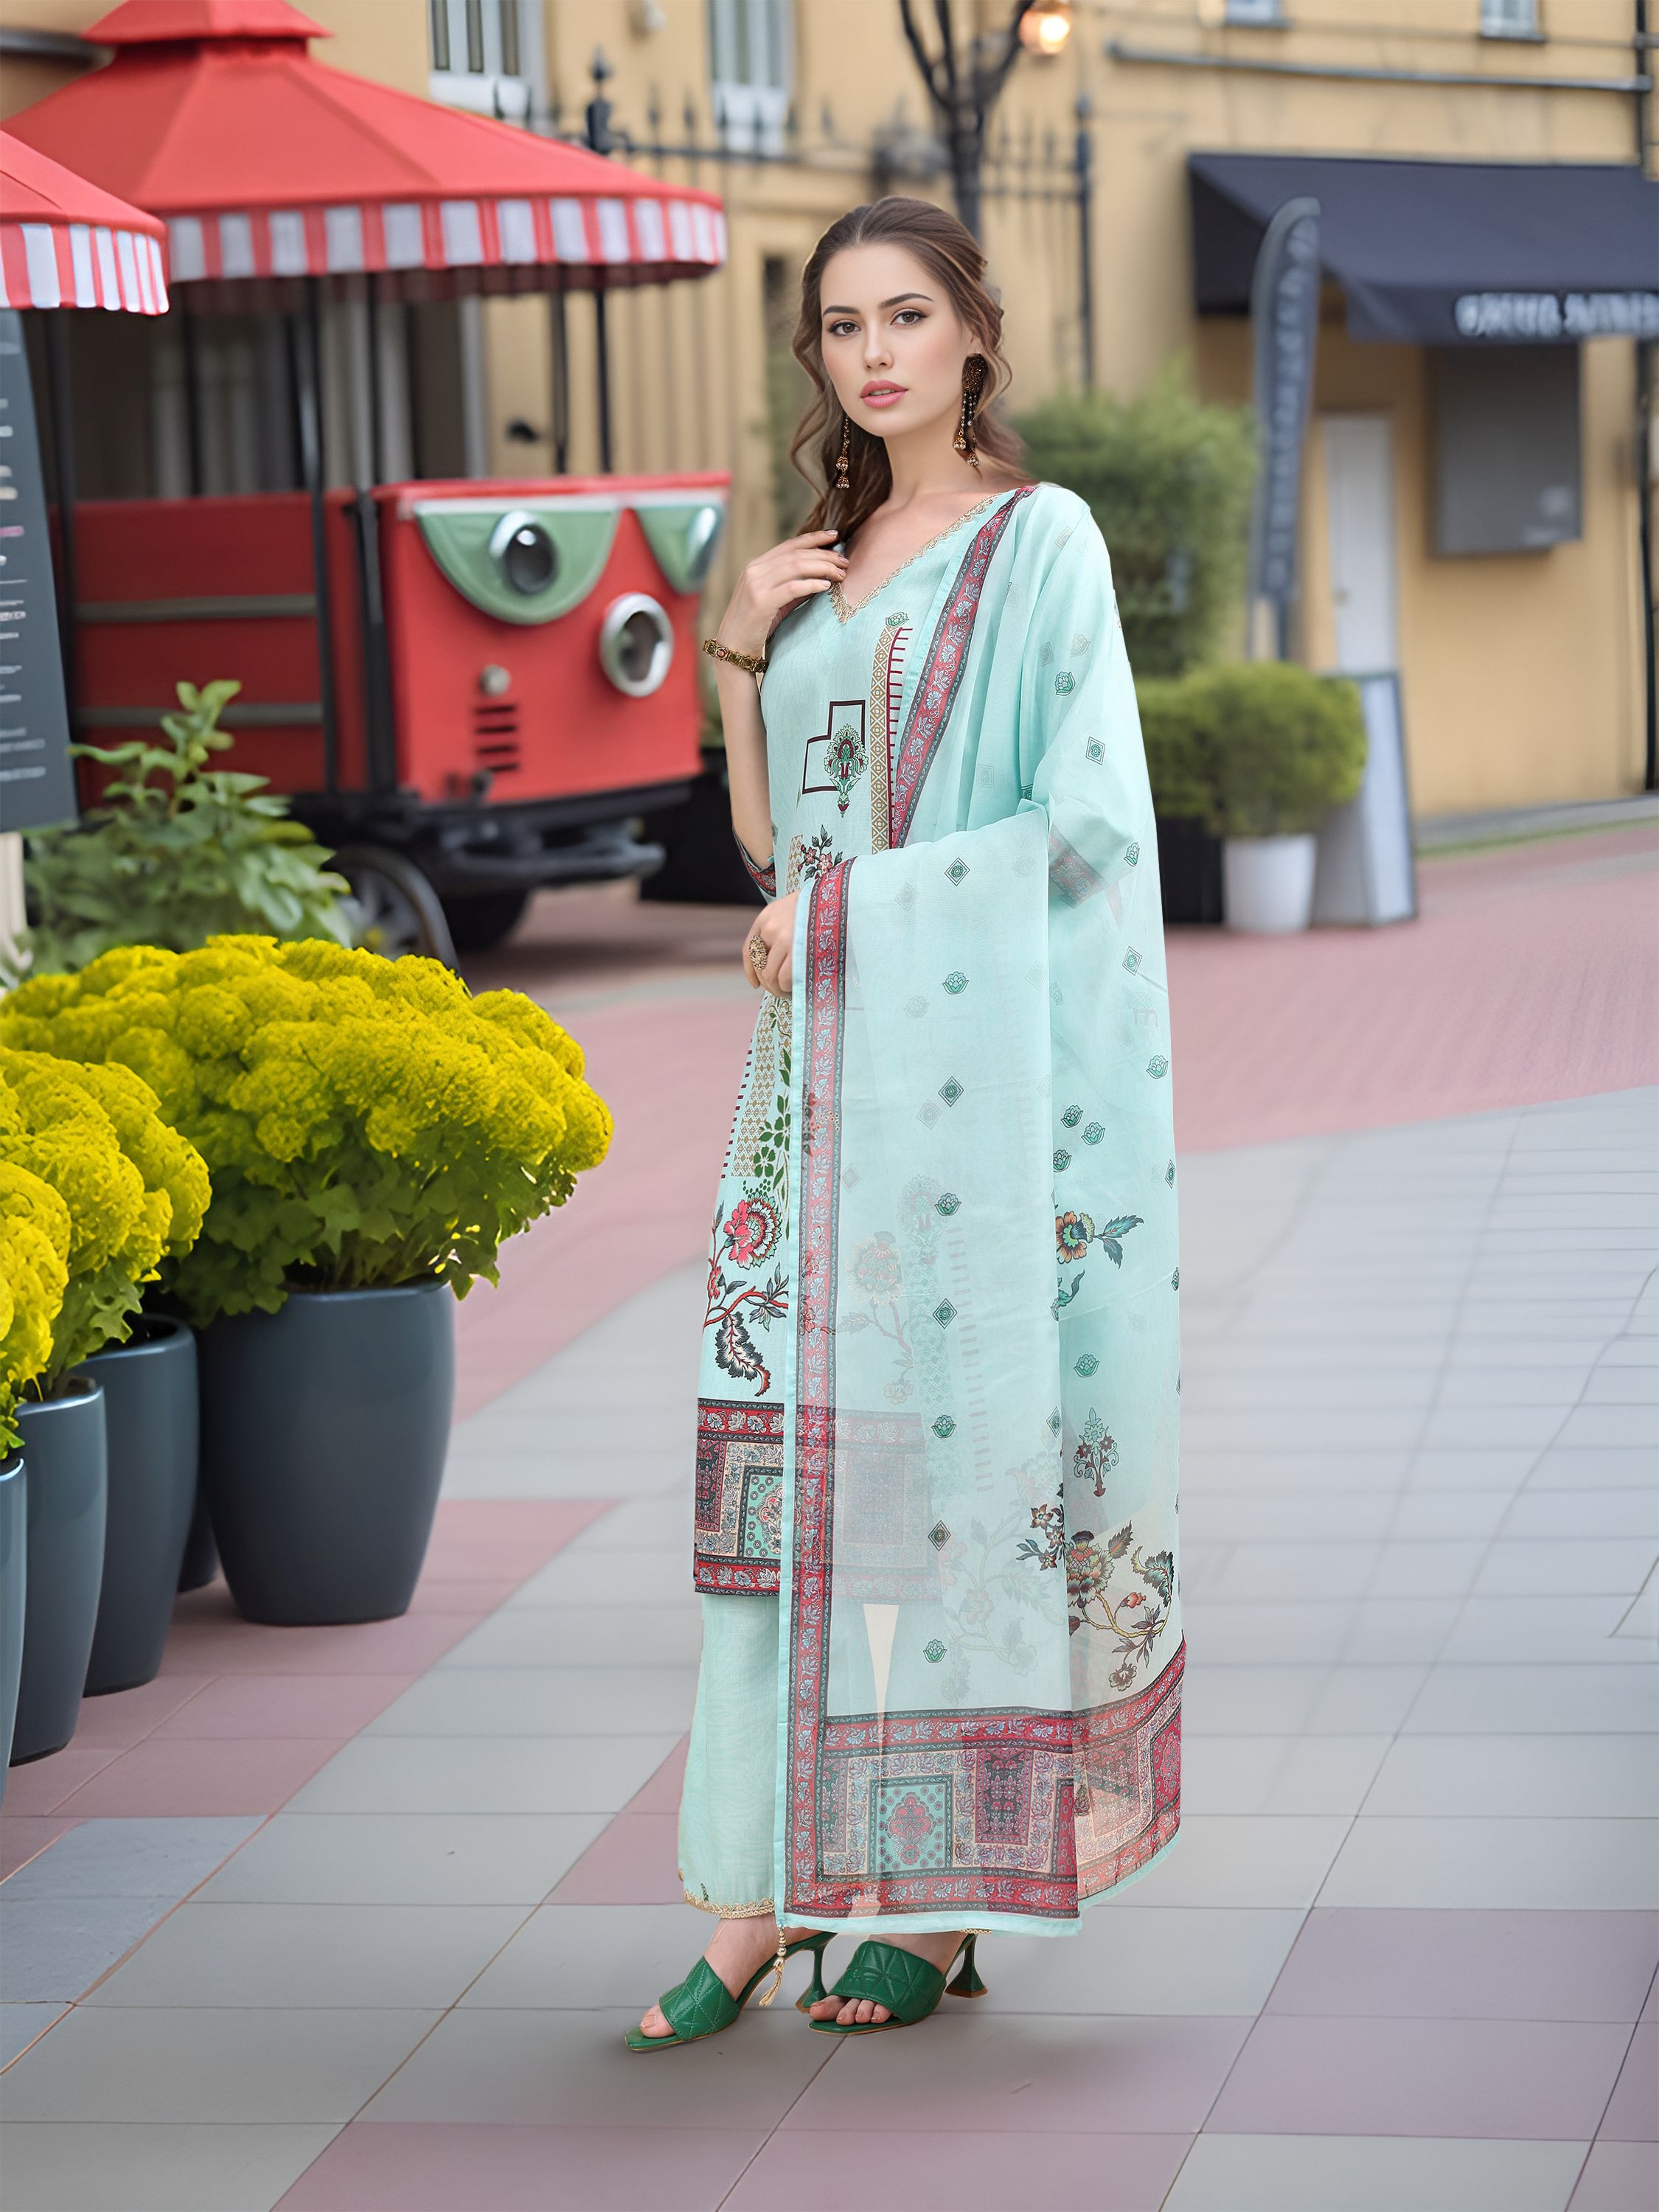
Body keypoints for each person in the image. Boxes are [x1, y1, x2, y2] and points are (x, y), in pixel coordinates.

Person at [630, 194, 1183, 2051]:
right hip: (807, 1097)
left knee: (956, 1485)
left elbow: (1086, 827)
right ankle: (753, 1889)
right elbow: (767, 852)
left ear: (972, 336)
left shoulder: (1039, 544)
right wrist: (735, 650)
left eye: (905, 318)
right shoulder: (817, 563)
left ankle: (939, 1903)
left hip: (968, 1105)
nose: (872, 354)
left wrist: (852, 915)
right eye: (841, 326)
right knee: (789, 1483)